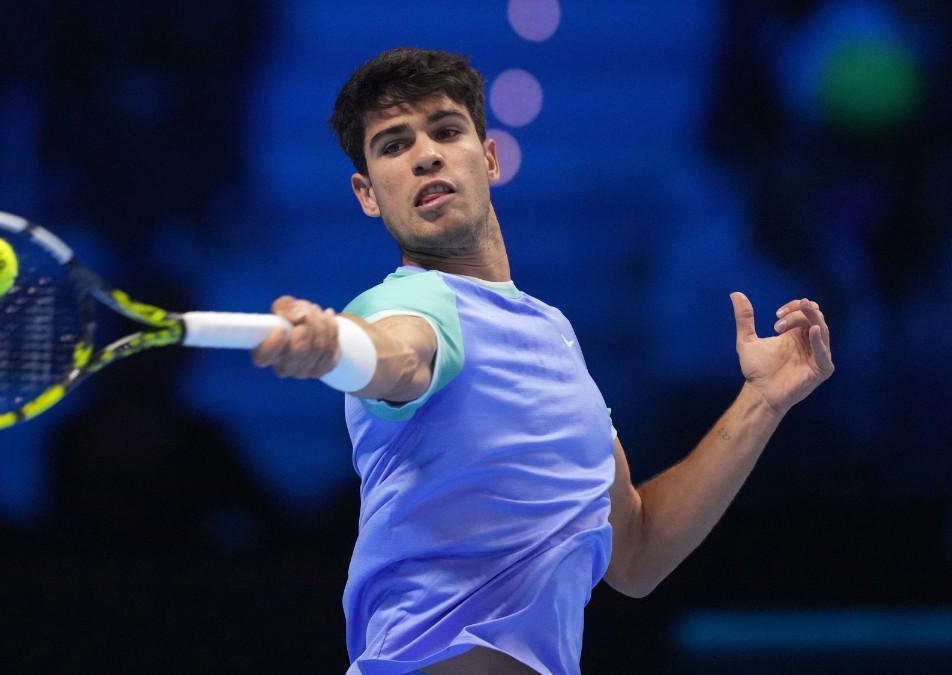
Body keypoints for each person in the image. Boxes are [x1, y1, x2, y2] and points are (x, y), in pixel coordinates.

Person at [251, 48, 834, 675]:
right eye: (393, 145)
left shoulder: (551, 331)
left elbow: (636, 552)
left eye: (446, 131)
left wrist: (763, 400)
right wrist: (336, 346)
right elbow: (396, 354)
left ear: (491, 158)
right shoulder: (408, 302)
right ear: (367, 194)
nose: (425, 155)